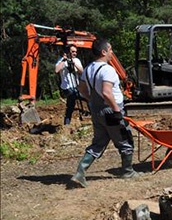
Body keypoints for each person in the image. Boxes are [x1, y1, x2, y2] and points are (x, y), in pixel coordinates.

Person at [70, 39, 140, 188]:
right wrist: (116, 111)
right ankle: (127, 171)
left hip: (96, 110)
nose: (111, 53)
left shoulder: (88, 69)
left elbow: (82, 89)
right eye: (110, 50)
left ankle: (80, 172)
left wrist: (92, 101)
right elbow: (107, 93)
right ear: (103, 52)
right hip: (110, 111)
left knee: (98, 143)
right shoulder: (107, 70)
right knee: (125, 139)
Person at [55, 45, 84, 125]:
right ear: (68, 52)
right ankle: (67, 124)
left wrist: (74, 64)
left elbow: (82, 71)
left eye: (76, 52)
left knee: (72, 105)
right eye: (73, 51)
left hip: (76, 86)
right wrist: (64, 61)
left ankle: (67, 123)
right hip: (67, 88)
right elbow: (57, 70)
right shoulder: (61, 60)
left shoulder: (77, 60)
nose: (75, 53)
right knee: (71, 102)